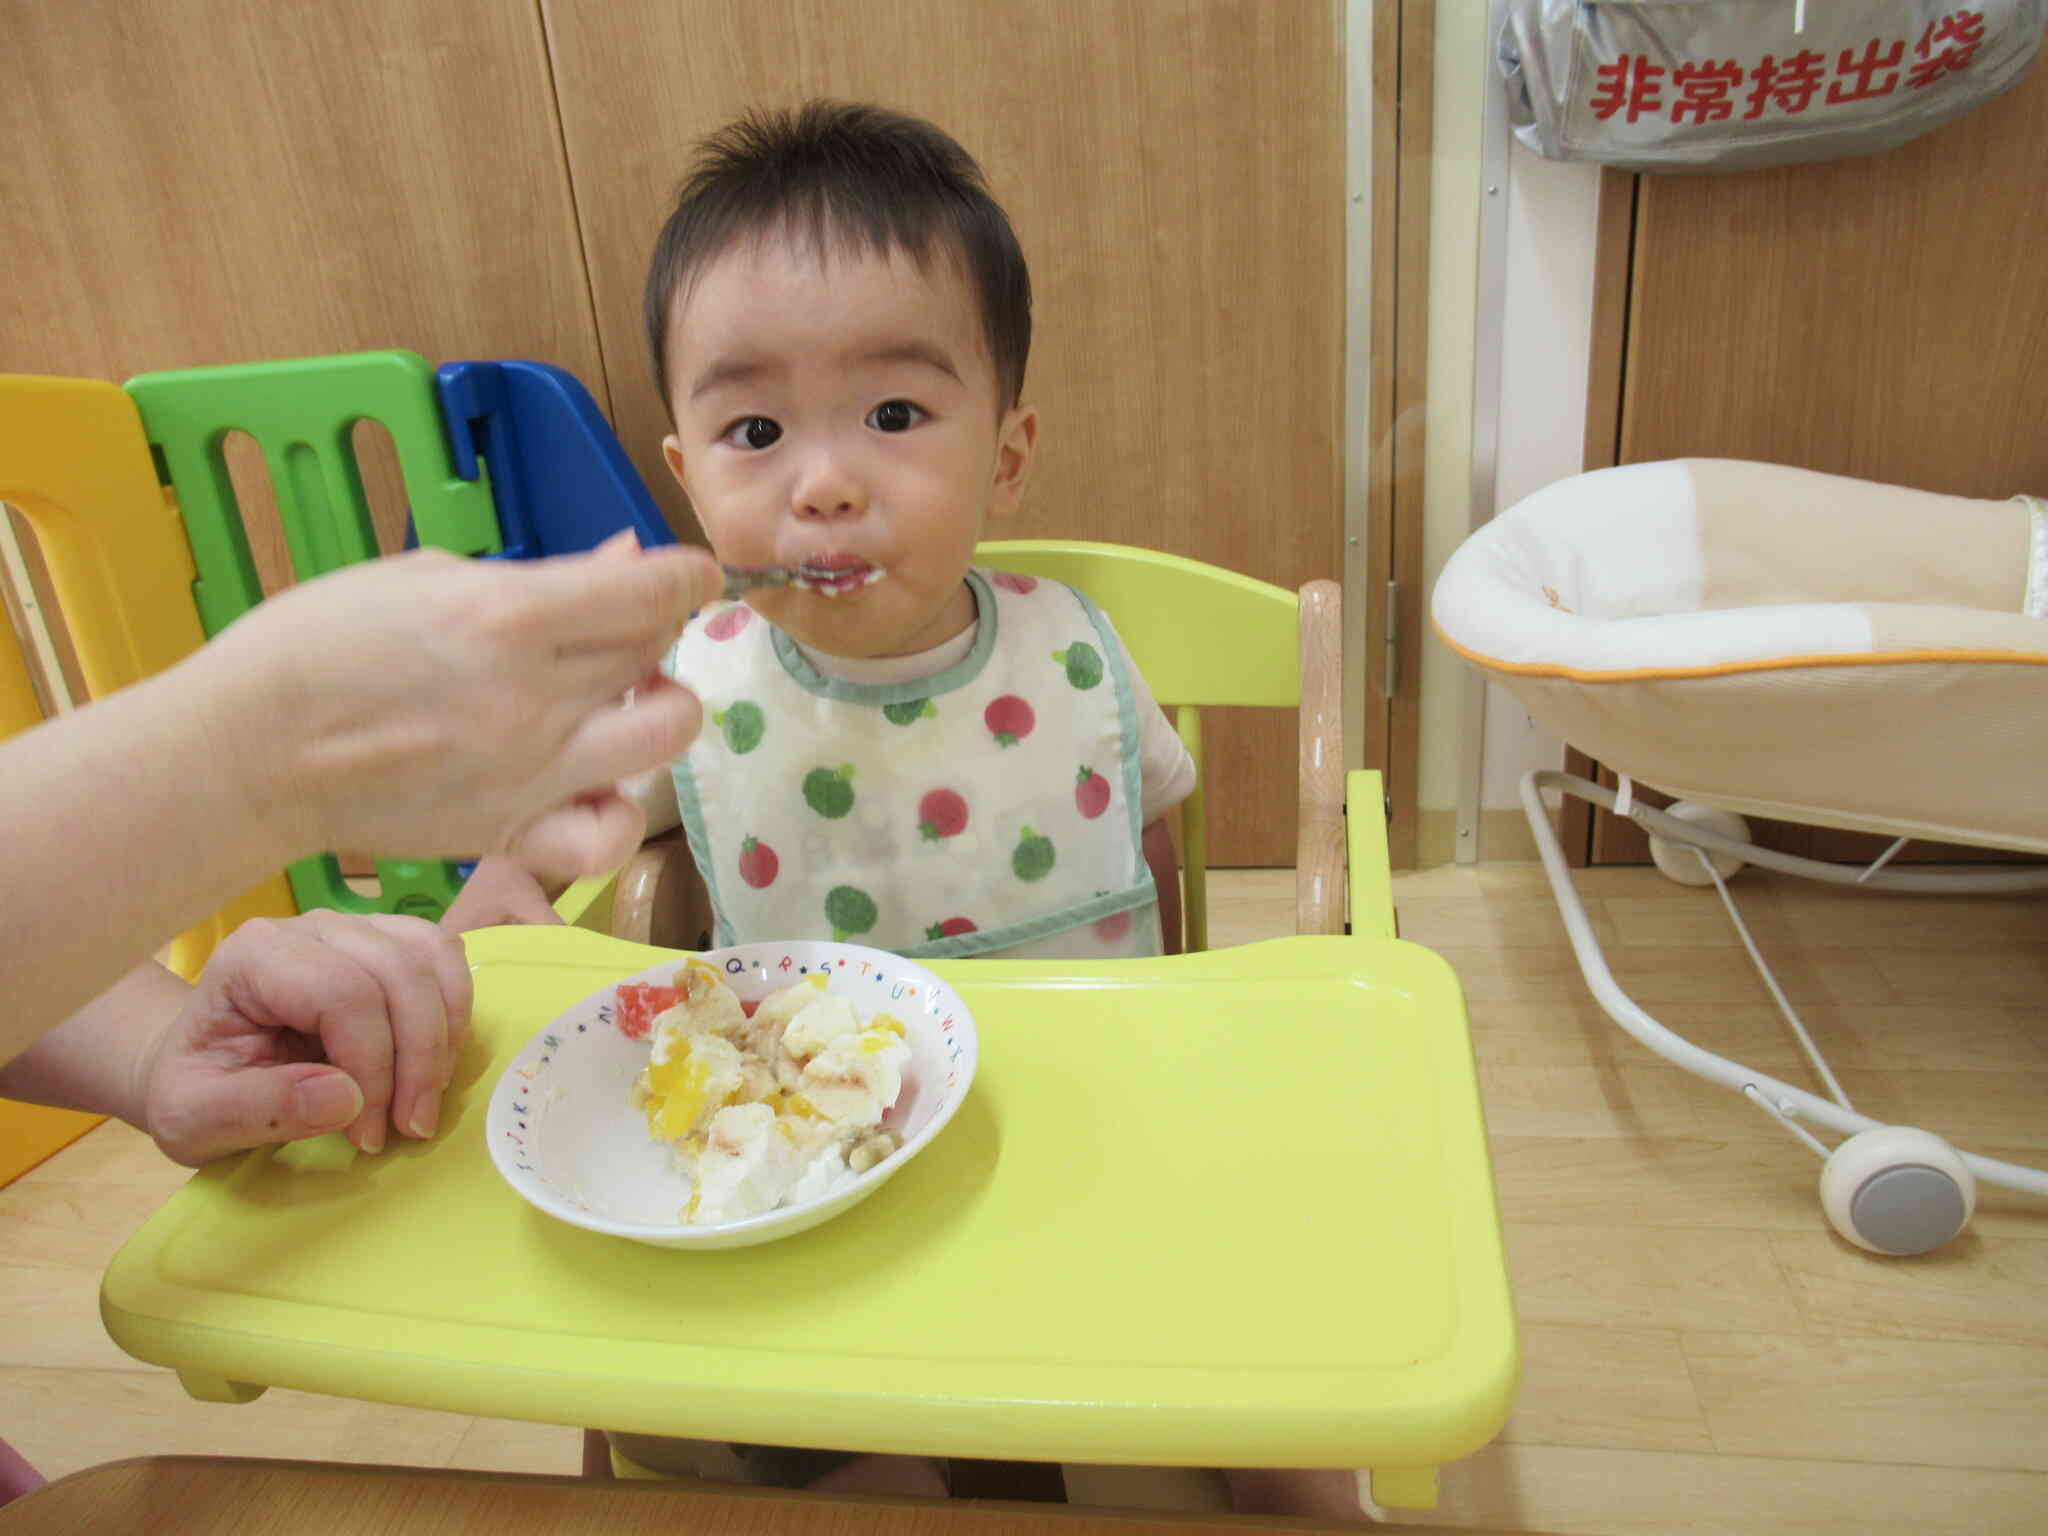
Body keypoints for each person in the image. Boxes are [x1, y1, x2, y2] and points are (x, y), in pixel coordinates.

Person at [453, 101, 1359, 1522]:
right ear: (688, 472)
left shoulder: (1077, 651)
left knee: (1287, 1387)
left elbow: (1155, 855)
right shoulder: (693, 687)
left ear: (1003, 453)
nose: (822, 482)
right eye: (755, 429)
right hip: (832, 1197)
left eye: (893, 414)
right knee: (789, 1428)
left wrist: (1187, 1038)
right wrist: (462, 948)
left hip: (1099, 1145)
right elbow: (523, 876)